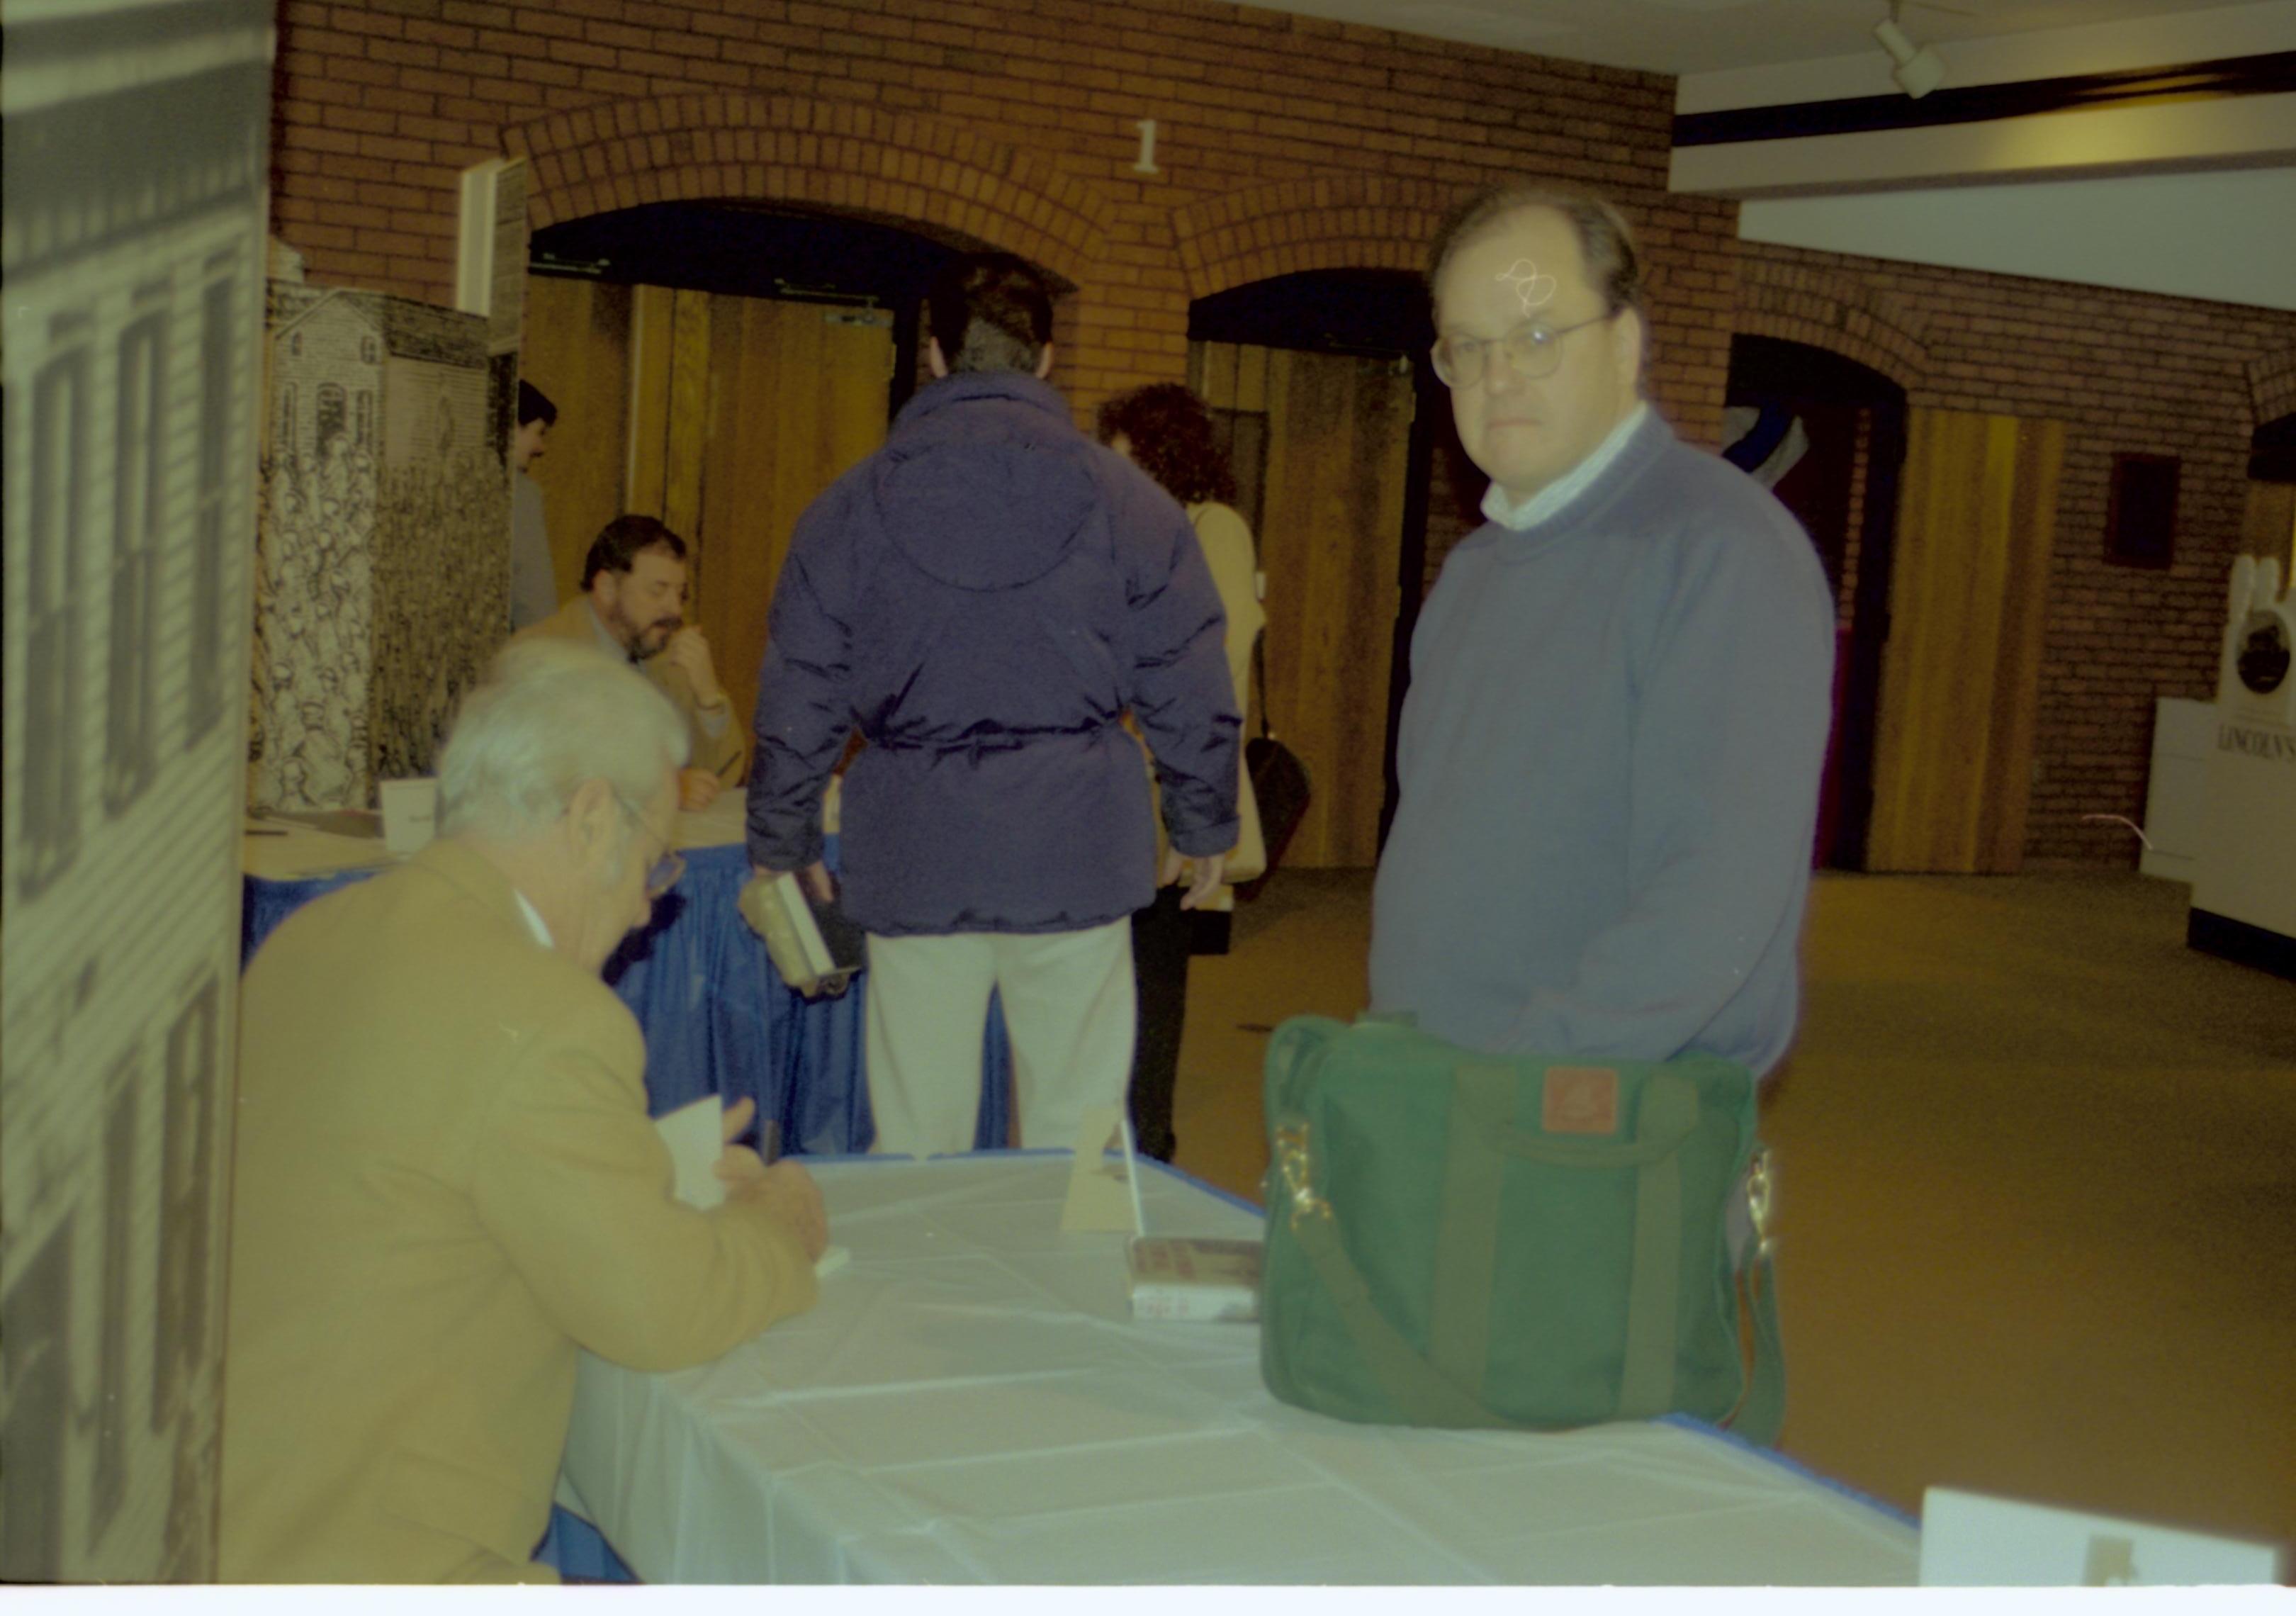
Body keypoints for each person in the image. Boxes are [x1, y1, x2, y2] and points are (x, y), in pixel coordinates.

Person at [220, 640, 828, 1583]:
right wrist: (779, 1223)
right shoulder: (548, 1013)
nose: (642, 912)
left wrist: (646, 1165)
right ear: (591, 818)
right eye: (654, 867)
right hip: (381, 1565)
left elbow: (420, 1169)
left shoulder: (310, 934)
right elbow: (664, 1307)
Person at [747, 252, 1240, 1160]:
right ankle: (1080, 1287)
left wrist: (782, 844)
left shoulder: (848, 506)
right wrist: (1206, 824)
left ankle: (930, 1296)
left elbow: (801, 685)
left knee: (918, 1136)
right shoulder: (1132, 503)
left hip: (917, 854)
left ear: (932, 356)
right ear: (1047, 359)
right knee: (1083, 1126)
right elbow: (1188, 666)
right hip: (1076, 850)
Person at [1371, 182, 1835, 1077]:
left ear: (1624, 344)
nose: (1497, 375)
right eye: (1468, 346)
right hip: (1448, 1093)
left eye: (1537, 337)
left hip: (1584, 1121)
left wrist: (1526, 1078)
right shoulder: (1474, 574)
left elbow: (1714, 893)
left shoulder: (1721, 551)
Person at [1095, 382, 1266, 1162]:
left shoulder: (1215, 527)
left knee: (1153, 979)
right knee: (1120, 980)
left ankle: (1146, 1149)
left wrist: (1175, 771)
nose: (1113, 467)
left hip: (1172, 776)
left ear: (1161, 453)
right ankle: (1119, 1143)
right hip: (1133, 775)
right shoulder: (1147, 530)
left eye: (1124, 452)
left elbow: (1220, 659)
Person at [517, 513, 745, 810]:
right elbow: (544, 776)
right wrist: (663, 787)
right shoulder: (539, 654)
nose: (675, 609)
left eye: (680, 593)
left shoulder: (665, 651)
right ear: (608, 589)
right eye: (658, 590)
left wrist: (708, 698)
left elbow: (722, 777)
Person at [507, 379, 558, 631]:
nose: (541, 448)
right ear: (513, 427)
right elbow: (535, 602)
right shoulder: (521, 495)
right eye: (538, 433)